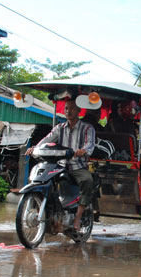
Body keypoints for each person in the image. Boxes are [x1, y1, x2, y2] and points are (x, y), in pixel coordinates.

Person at [26, 99, 95, 232]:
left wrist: (83, 150)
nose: (68, 111)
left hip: (77, 166)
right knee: (44, 180)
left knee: (87, 180)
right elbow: (46, 140)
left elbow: (90, 144)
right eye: (66, 108)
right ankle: (50, 210)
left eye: (72, 108)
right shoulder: (59, 128)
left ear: (79, 110)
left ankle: (77, 218)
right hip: (60, 166)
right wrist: (35, 148)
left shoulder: (87, 128)